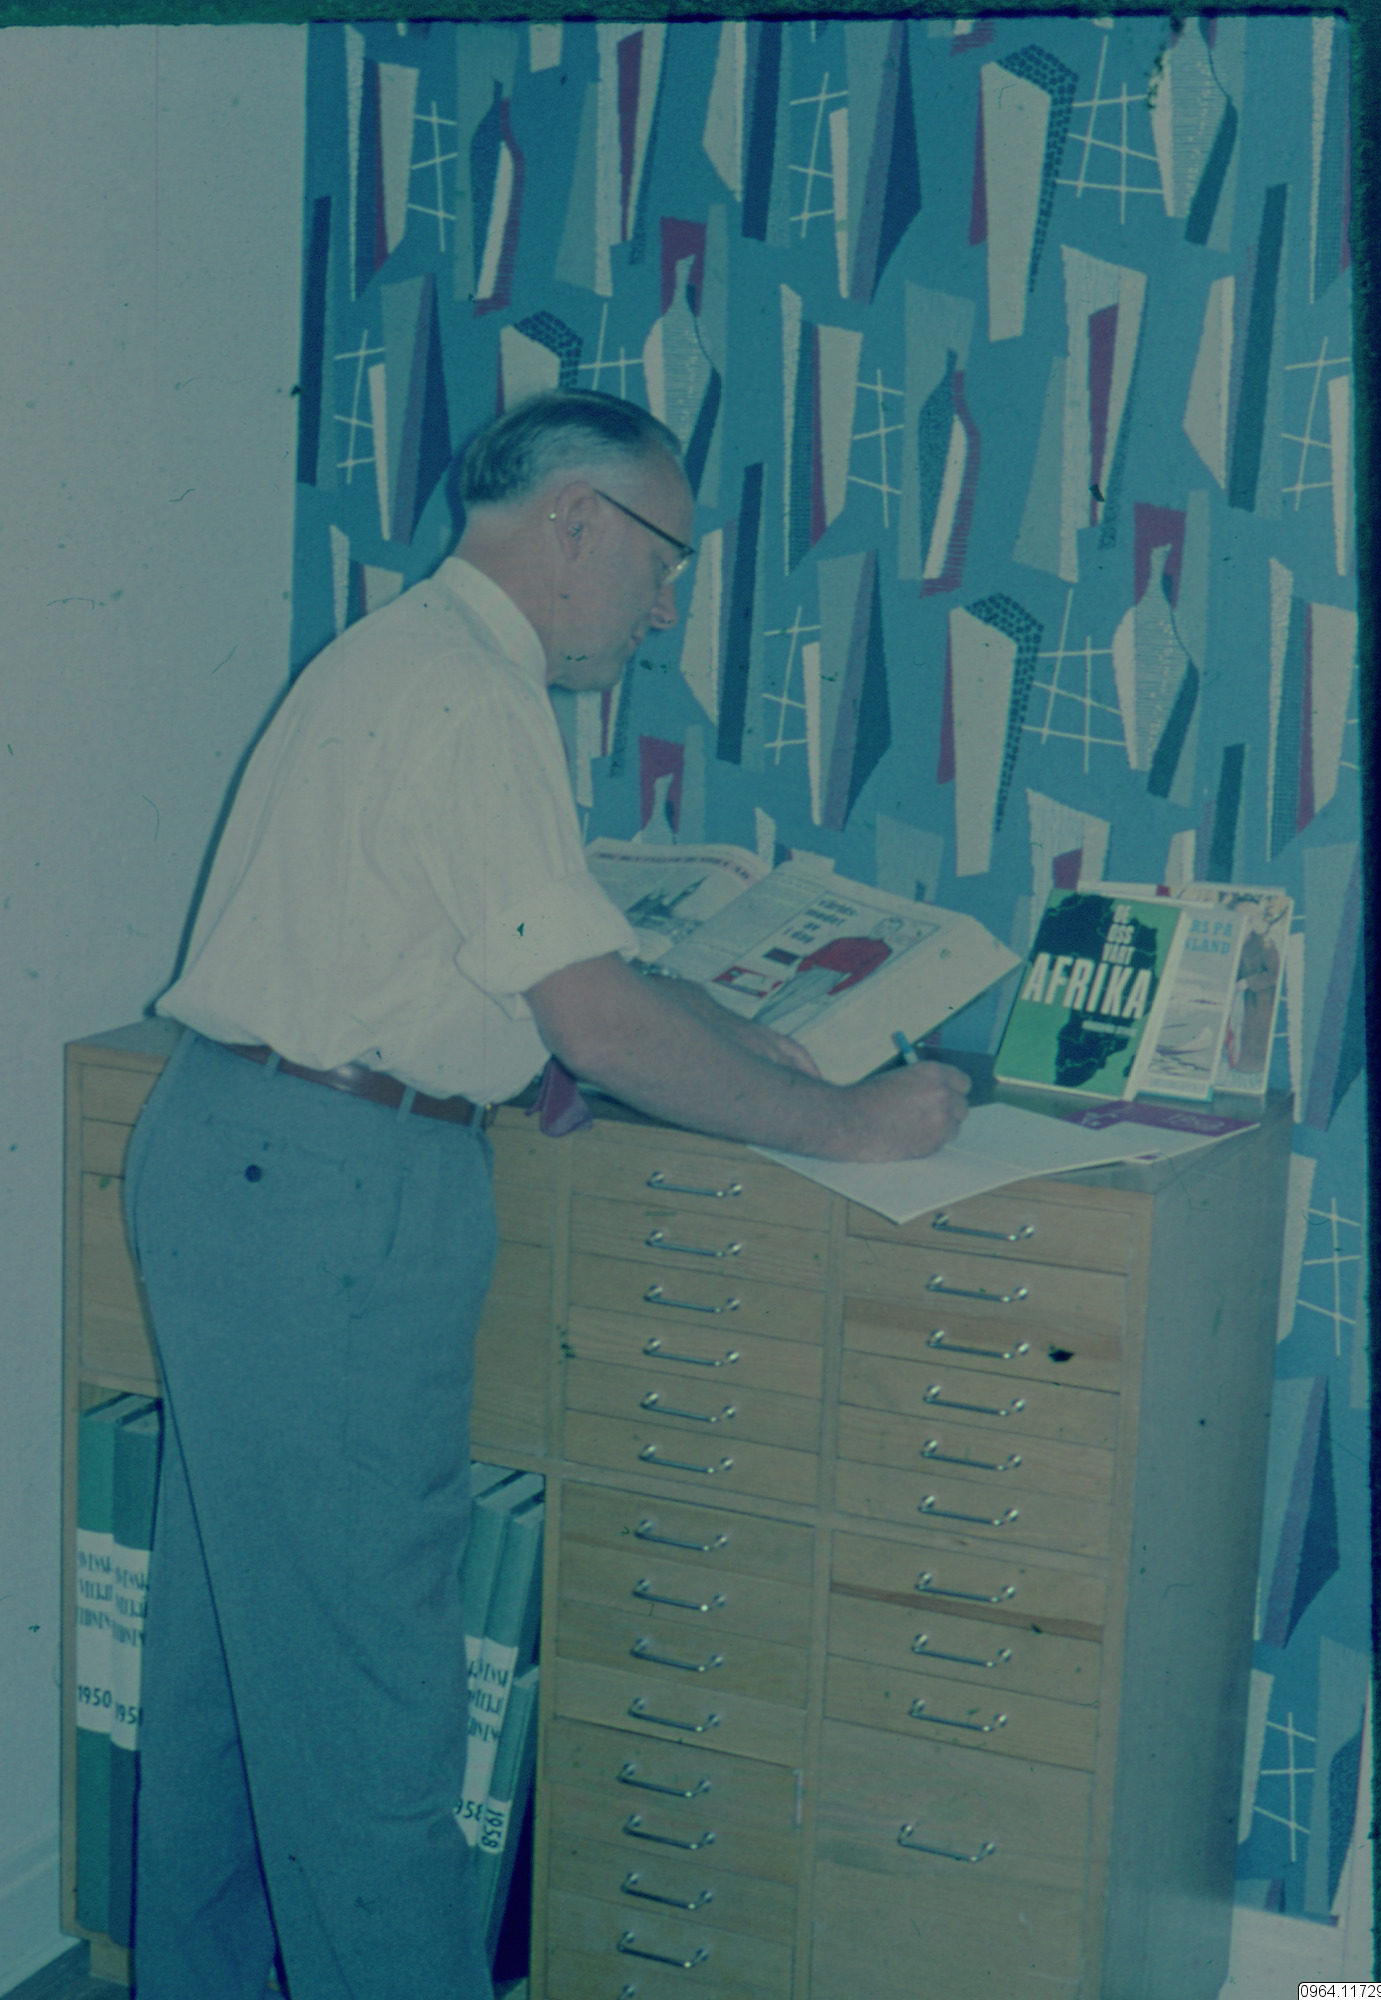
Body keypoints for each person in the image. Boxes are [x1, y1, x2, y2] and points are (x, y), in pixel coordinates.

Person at [122, 389, 969, 2000]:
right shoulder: (475, 695)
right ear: (578, 520)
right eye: (666, 562)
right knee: (370, 1707)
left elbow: (555, 963)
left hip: (244, 1154)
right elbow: (596, 1019)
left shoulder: (411, 660)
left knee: (228, 1679)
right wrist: (845, 1126)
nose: (665, 610)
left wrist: (736, 1042)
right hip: (329, 1192)